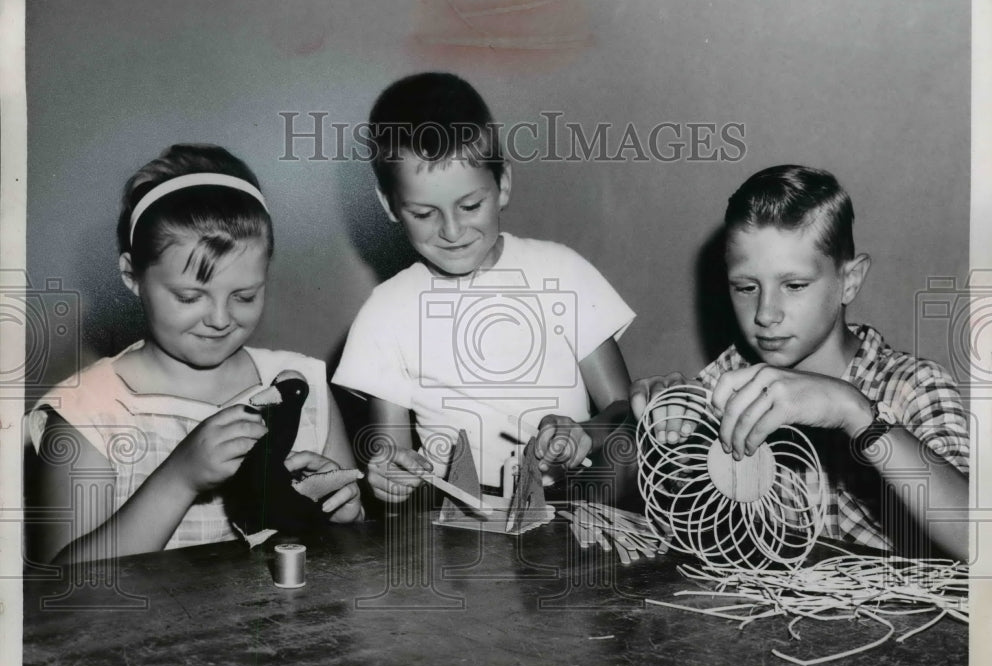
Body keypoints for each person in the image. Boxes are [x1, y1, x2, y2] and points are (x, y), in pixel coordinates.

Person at [28, 144, 363, 565]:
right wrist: (179, 479)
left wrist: (344, 515)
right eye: (190, 297)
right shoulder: (87, 413)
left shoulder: (304, 384)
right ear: (131, 275)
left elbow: (348, 557)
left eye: (244, 295)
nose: (220, 319)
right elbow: (62, 591)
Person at [629, 165, 969, 561]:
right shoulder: (732, 376)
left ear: (851, 280)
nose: (766, 313)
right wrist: (657, 422)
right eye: (745, 287)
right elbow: (664, 501)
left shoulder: (913, 385)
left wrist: (854, 411)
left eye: (793, 286)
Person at [333, 72, 635, 503]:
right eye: (424, 213)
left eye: (470, 205)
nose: (452, 230)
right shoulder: (385, 314)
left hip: (576, 513)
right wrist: (389, 478)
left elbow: (627, 412)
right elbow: (391, 455)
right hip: (459, 531)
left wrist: (584, 432)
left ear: (503, 184)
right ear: (389, 206)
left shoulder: (563, 273)